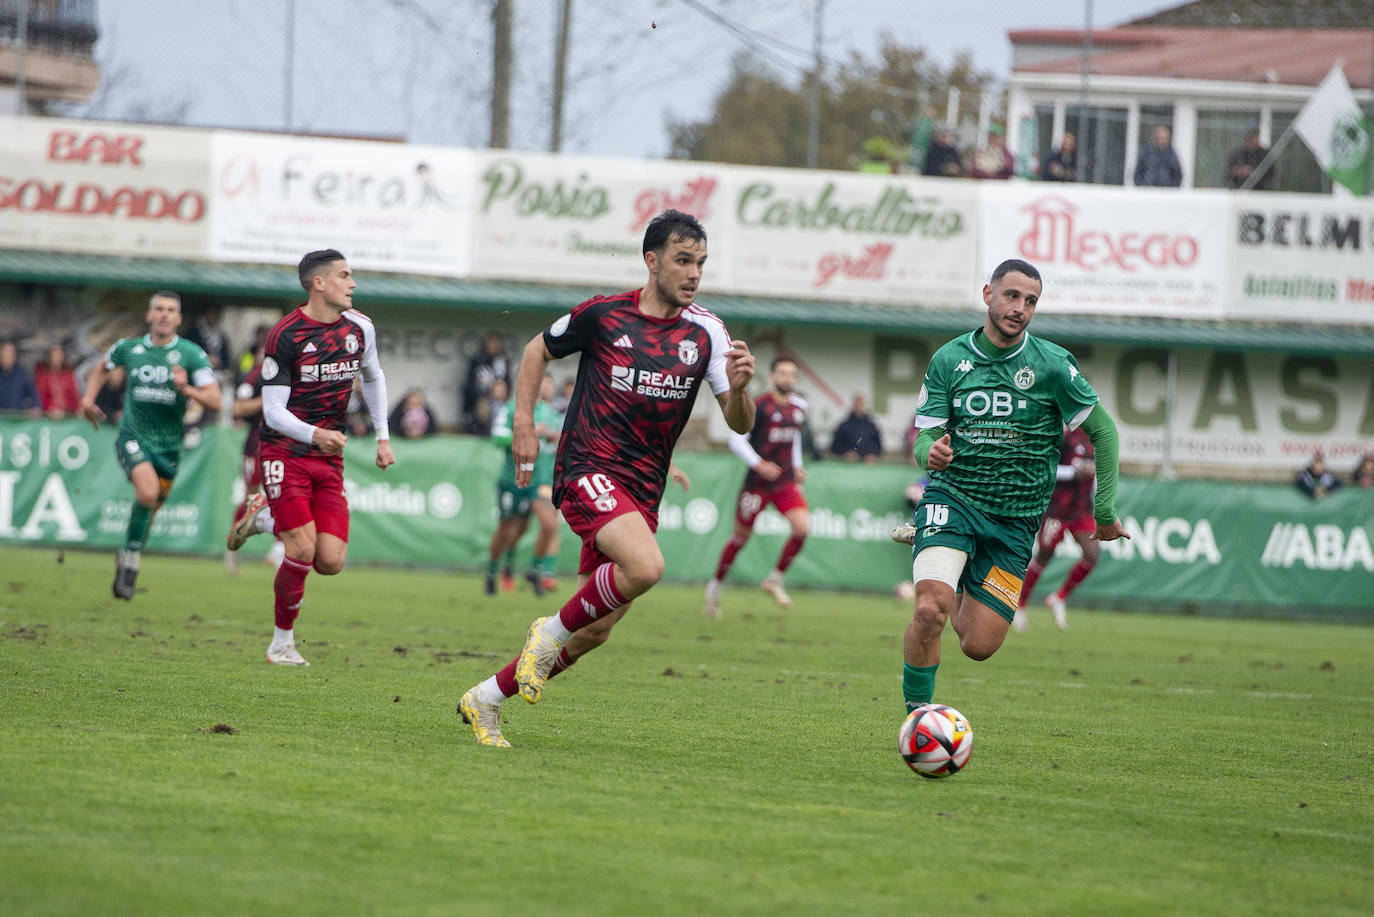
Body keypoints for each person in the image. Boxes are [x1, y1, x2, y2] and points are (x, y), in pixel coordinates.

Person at [457, 209, 756, 748]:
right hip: (586, 467)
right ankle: (544, 634)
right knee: (646, 566)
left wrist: (738, 390)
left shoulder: (708, 332)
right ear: (652, 261)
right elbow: (536, 350)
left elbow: (739, 423)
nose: (693, 273)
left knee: (595, 628)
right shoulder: (604, 316)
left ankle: (486, 698)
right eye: (683, 261)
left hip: (644, 487)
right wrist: (524, 424)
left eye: (701, 264)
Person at [890, 259, 1128, 717]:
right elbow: (923, 436)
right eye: (1012, 295)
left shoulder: (1053, 365)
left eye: (1031, 301)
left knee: (979, 645)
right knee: (929, 610)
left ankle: (959, 570)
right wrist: (929, 454)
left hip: (1014, 522)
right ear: (988, 294)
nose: (1020, 308)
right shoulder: (949, 359)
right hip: (951, 498)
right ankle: (919, 719)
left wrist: (1105, 510)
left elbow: (1104, 433)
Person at [223, 249, 394, 666]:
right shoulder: (286, 334)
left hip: (327, 457)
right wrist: (316, 434)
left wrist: (383, 436)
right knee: (300, 549)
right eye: (345, 275)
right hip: (286, 450)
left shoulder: (361, 328)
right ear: (319, 283)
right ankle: (281, 643)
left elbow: (373, 377)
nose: (352, 283)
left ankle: (265, 516)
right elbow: (273, 412)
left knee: (331, 562)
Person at [80, 292, 222, 599]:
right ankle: (132, 561)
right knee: (146, 492)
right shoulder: (129, 348)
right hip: (132, 435)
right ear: (149, 315)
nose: (164, 315)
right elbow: (103, 367)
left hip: (169, 445)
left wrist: (187, 389)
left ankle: (128, 551)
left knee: (150, 509)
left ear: (179, 319)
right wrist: (88, 400)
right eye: (158, 309)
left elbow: (216, 399)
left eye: (171, 310)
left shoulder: (191, 354)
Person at [704, 355, 809, 617]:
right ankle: (715, 586)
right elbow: (736, 441)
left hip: (785, 481)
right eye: (782, 373)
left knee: (802, 529)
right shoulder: (759, 405)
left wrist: (796, 465)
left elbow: (793, 438)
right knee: (740, 538)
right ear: (772, 377)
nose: (787, 378)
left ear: (795, 379)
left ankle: (774, 578)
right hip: (758, 484)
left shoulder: (799, 406)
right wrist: (759, 464)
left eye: (791, 374)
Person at [1013, 426, 1099, 633]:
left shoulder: (1093, 441)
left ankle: (1058, 598)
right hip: (1058, 510)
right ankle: (1020, 605)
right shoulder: (1064, 439)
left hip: (1082, 511)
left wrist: (1097, 497)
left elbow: (1096, 473)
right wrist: (1073, 472)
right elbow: (1044, 468)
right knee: (1043, 557)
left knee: (1092, 554)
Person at [484, 373, 563, 597]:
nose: (543, 386)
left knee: (549, 524)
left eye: (547, 383)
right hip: (512, 480)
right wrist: (526, 434)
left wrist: (554, 439)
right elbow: (497, 438)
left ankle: (534, 572)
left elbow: (555, 443)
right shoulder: (511, 409)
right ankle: (492, 572)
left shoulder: (550, 413)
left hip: (538, 480)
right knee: (507, 530)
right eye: (539, 381)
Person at [224, 346, 286, 574]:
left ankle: (280, 549)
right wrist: (268, 401)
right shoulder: (255, 376)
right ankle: (234, 541)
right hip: (256, 445)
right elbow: (239, 408)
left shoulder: (292, 372)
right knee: (251, 497)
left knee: (284, 495)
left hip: (283, 446)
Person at [462, 332, 510, 435]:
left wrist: (501, 393)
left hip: (499, 401)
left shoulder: (503, 361)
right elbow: (470, 385)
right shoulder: (477, 360)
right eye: (490, 343)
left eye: (495, 343)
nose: (492, 346)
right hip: (480, 400)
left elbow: (508, 383)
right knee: (483, 408)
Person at [34, 343, 83, 418]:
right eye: (54, 355)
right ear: (49, 357)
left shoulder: (68, 374)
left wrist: (79, 408)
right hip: (50, 416)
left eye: (60, 355)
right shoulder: (43, 376)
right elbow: (40, 396)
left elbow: (75, 394)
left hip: (68, 414)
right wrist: (49, 409)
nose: (57, 358)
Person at [830, 393, 883, 463]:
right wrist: (846, 454)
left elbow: (879, 447)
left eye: (861, 404)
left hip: (868, 468)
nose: (859, 406)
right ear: (853, 405)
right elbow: (834, 447)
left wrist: (873, 455)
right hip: (848, 467)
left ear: (864, 405)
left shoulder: (872, 426)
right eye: (857, 404)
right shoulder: (844, 425)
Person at [184, 305, 232, 374]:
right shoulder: (194, 332)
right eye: (211, 313)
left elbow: (226, 360)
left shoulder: (221, 335)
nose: (214, 317)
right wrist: (206, 358)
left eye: (216, 314)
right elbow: (189, 353)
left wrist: (219, 361)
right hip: (198, 369)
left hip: (217, 372)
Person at [0, 339, 40, 413]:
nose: (6, 359)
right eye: (4, 356)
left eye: (9, 356)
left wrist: (36, 406)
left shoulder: (23, 374)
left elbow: (33, 392)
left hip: (19, 419)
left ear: (15, 357)